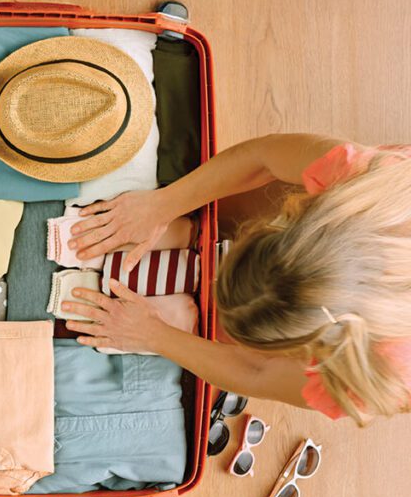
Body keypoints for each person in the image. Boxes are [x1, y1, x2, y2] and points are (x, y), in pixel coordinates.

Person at [61, 133, 411, 423]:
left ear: (316, 350)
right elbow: (262, 158)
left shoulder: (373, 378)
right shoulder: (361, 179)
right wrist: (162, 205)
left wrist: (155, 335)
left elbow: (257, 373)